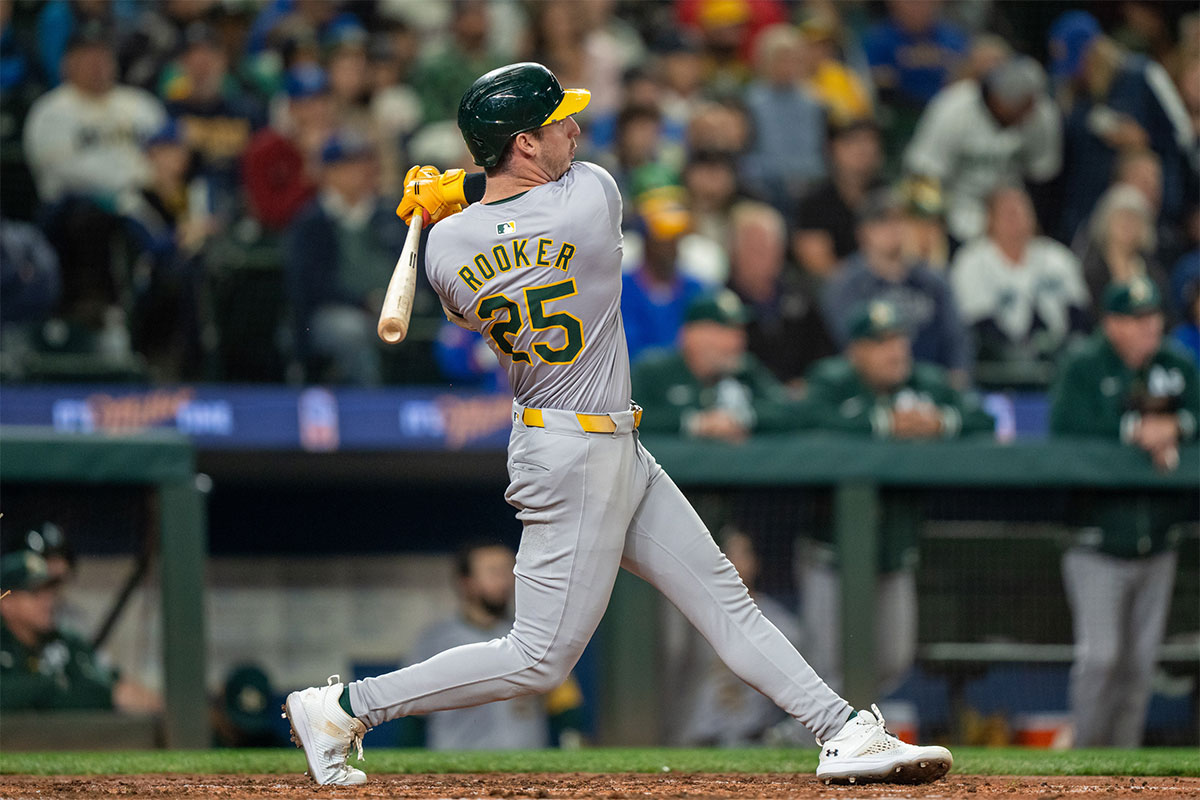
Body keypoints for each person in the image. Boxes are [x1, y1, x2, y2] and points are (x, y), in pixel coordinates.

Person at [283, 62, 952, 787]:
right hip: (575, 454)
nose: (573, 129)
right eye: (556, 122)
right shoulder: (592, 198)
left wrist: (453, 200)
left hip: (584, 440)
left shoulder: (445, 250)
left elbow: (465, 283)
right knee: (538, 657)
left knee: (722, 595)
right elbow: (530, 203)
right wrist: (463, 188)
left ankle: (840, 729)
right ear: (524, 145)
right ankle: (345, 707)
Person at [798, 299, 994, 694]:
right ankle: (809, 746)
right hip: (831, 552)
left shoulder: (925, 383)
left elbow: (984, 420)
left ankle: (857, 742)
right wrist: (885, 422)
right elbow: (800, 419)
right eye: (882, 342)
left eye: (900, 340)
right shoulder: (832, 381)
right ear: (856, 350)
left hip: (893, 551)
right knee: (825, 669)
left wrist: (941, 422)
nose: (896, 351)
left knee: (893, 660)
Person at [1049, 277, 1198, 747]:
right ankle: (1083, 761)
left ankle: (1121, 768)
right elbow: (1066, 432)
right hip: (1097, 539)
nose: (1147, 327)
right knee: (1102, 656)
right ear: (1111, 324)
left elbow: (1197, 411)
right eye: (1135, 319)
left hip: (1158, 539)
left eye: (1152, 317)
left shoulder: (1177, 363)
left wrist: (1178, 423)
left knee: (1140, 665)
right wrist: (1135, 429)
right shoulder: (1084, 366)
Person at [407, 540, 583, 750]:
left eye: (508, 571)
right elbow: (413, 718)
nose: (504, 581)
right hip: (454, 769)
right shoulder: (435, 640)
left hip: (526, 768)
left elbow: (565, 707)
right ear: (466, 582)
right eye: (493, 572)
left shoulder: (534, 636)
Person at [1049, 10, 1195, 243]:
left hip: (1151, 215)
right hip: (1088, 220)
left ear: (1095, 51)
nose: (1077, 73)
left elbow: (1184, 136)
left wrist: (1144, 139)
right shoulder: (1070, 95)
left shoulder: (1142, 74)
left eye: (1081, 62)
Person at [284, 133, 407, 385]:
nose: (361, 171)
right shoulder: (312, 222)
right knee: (351, 331)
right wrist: (362, 301)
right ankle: (371, 405)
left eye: (364, 162)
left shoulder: (390, 215)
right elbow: (309, 286)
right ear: (329, 173)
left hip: (395, 306)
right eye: (349, 165)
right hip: (334, 312)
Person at [904, 55, 1062, 244]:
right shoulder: (952, 109)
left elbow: (1043, 178)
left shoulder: (1042, 115)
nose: (1030, 113)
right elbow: (922, 175)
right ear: (997, 99)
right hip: (955, 210)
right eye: (1022, 106)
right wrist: (931, 229)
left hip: (1010, 214)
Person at [822, 188, 970, 385]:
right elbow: (847, 346)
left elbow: (956, 339)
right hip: (871, 388)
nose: (893, 230)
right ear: (863, 232)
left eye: (899, 221)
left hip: (932, 386)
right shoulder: (846, 285)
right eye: (882, 222)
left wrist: (957, 377)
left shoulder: (933, 282)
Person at [950, 184, 1090, 377]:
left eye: (1022, 210)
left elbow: (1079, 314)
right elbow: (979, 326)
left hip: (1060, 356)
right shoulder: (972, 260)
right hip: (1001, 365)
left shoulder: (1057, 256)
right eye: (1008, 212)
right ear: (990, 219)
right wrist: (1022, 355)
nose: (1016, 217)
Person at [676, 528, 799, 746]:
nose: (734, 562)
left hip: (754, 738)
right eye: (727, 554)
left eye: (742, 554)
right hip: (700, 737)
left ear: (755, 562)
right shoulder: (694, 615)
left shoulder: (780, 622)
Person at [0, 551, 162, 713]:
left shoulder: (65, 641)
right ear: (6, 603)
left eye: (49, 590)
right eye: (35, 593)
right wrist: (52, 687)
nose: (47, 600)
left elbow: (116, 688)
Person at [632, 290, 801, 443]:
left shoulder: (745, 371)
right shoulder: (654, 372)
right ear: (693, 335)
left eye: (740, 331)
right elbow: (625, 419)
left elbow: (789, 412)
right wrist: (694, 423)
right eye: (726, 331)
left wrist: (743, 417)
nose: (738, 341)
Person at [726, 202, 836, 390]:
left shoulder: (802, 296)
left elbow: (825, 356)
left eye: (770, 247)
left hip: (802, 399)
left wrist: (809, 384)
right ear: (734, 252)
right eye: (755, 248)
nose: (764, 257)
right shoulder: (722, 303)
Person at [620, 187, 708, 364]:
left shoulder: (695, 289)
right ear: (646, 242)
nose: (671, 250)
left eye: (676, 240)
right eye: (663, 242)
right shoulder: (620, 289)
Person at [793, 117, 884, 280]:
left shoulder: (888, 196)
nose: (864, 150)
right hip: (838, 293)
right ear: (833, 148)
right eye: (853, 142)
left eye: (870, 142)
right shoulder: (814, 202)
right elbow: (817, 264)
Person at [1080, 183, 1172, 326]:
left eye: (1134, 220)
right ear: (1106, 222)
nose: (1127, 226)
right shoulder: (1091, 271)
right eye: (1121, 218)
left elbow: (1166, 314)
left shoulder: (1155, 272)